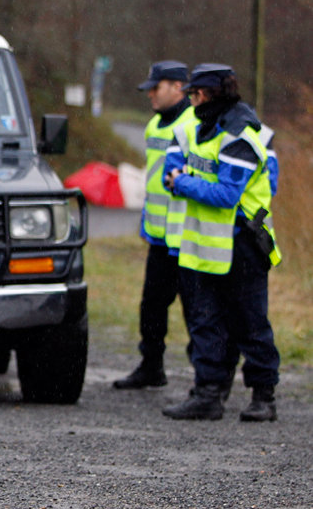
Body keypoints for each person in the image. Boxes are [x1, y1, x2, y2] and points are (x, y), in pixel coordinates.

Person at [160, 64, 281, 422]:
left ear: (210, 95)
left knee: (250, 324)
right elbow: (171, 172)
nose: (191, 101)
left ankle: (264, 397)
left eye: (195, 95)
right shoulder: (199, 128)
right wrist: (179, 179)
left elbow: (227, 195)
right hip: (204, 246)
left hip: (244, 244)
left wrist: (183, 183)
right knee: (205, 323)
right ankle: (208, 394)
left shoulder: (241, 135)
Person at [114, 61, 197, 390]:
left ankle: (207, 378)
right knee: (152, 306)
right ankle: (151, 366)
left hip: (189, 236)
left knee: (196, 309)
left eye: (156, 87)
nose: (150, 93)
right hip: (160, 236)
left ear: (178, 87)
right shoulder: (153, 126)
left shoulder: (193, 124)